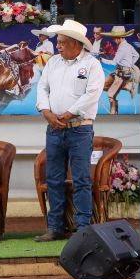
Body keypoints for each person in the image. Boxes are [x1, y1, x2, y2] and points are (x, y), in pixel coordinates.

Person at [34, 19, 104, 242]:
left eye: (62, 42)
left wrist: (67, 114)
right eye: (58, 42)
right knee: (54, 179)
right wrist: (47, 112)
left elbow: (92, 94)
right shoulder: (53, 62)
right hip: (54, 129)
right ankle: (55, 227)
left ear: (76, 43)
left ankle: (83, 229)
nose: (58, 46)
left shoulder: (92, 65)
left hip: (80, 130)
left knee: (81, 179)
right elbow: (42, 88)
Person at [99, 26, 139, 115]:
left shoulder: (122, 48)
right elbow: (137, 55)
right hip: (119, 72)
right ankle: (128, 86)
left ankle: (113, 114)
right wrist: (130, 64)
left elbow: (114, 62)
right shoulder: (128, 46)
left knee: (110, 95)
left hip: (121, 75)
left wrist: (102, 60)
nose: (113, 40)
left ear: (119, 38)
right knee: (104, 86)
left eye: (114, 38)